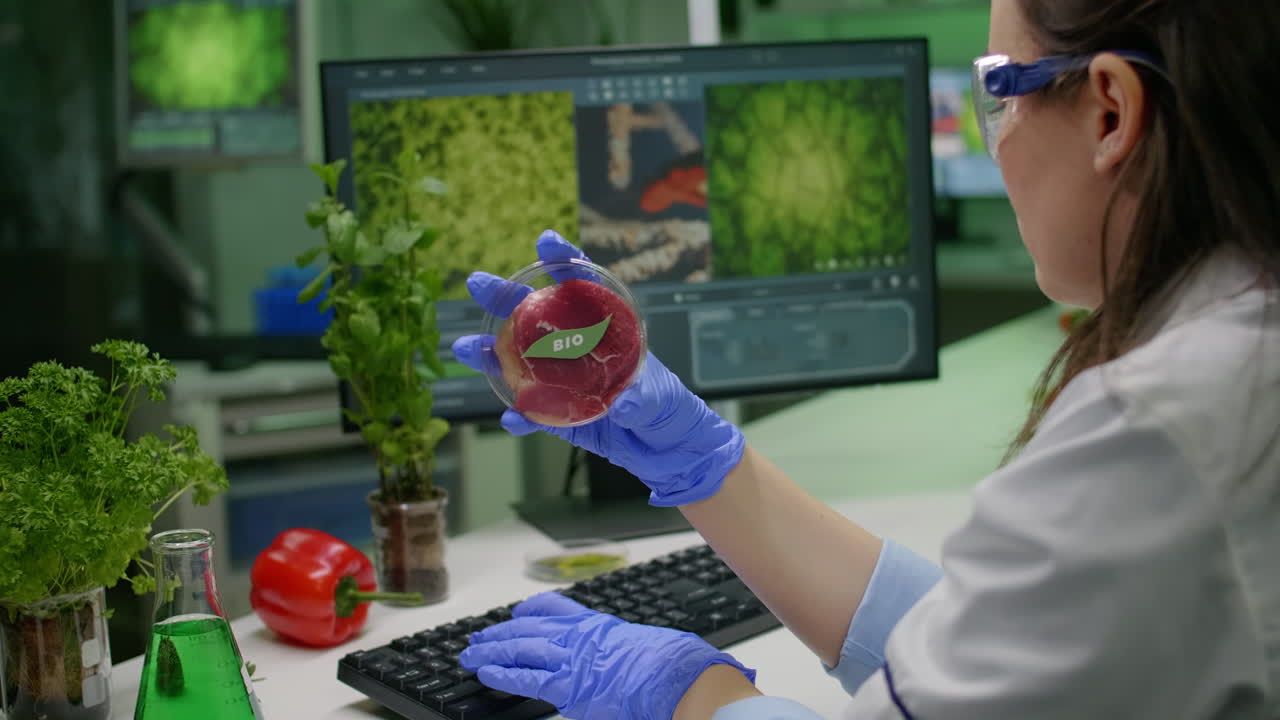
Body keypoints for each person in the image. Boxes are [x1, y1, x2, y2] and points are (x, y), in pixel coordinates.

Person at [450, 0, 1280, 717]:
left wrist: (685, 693)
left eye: (1000, 90)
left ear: (1109, 112)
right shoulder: (1232, 353)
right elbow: (993, 655)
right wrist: (704, 464)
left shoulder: (1163, 426)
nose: (997, 141)